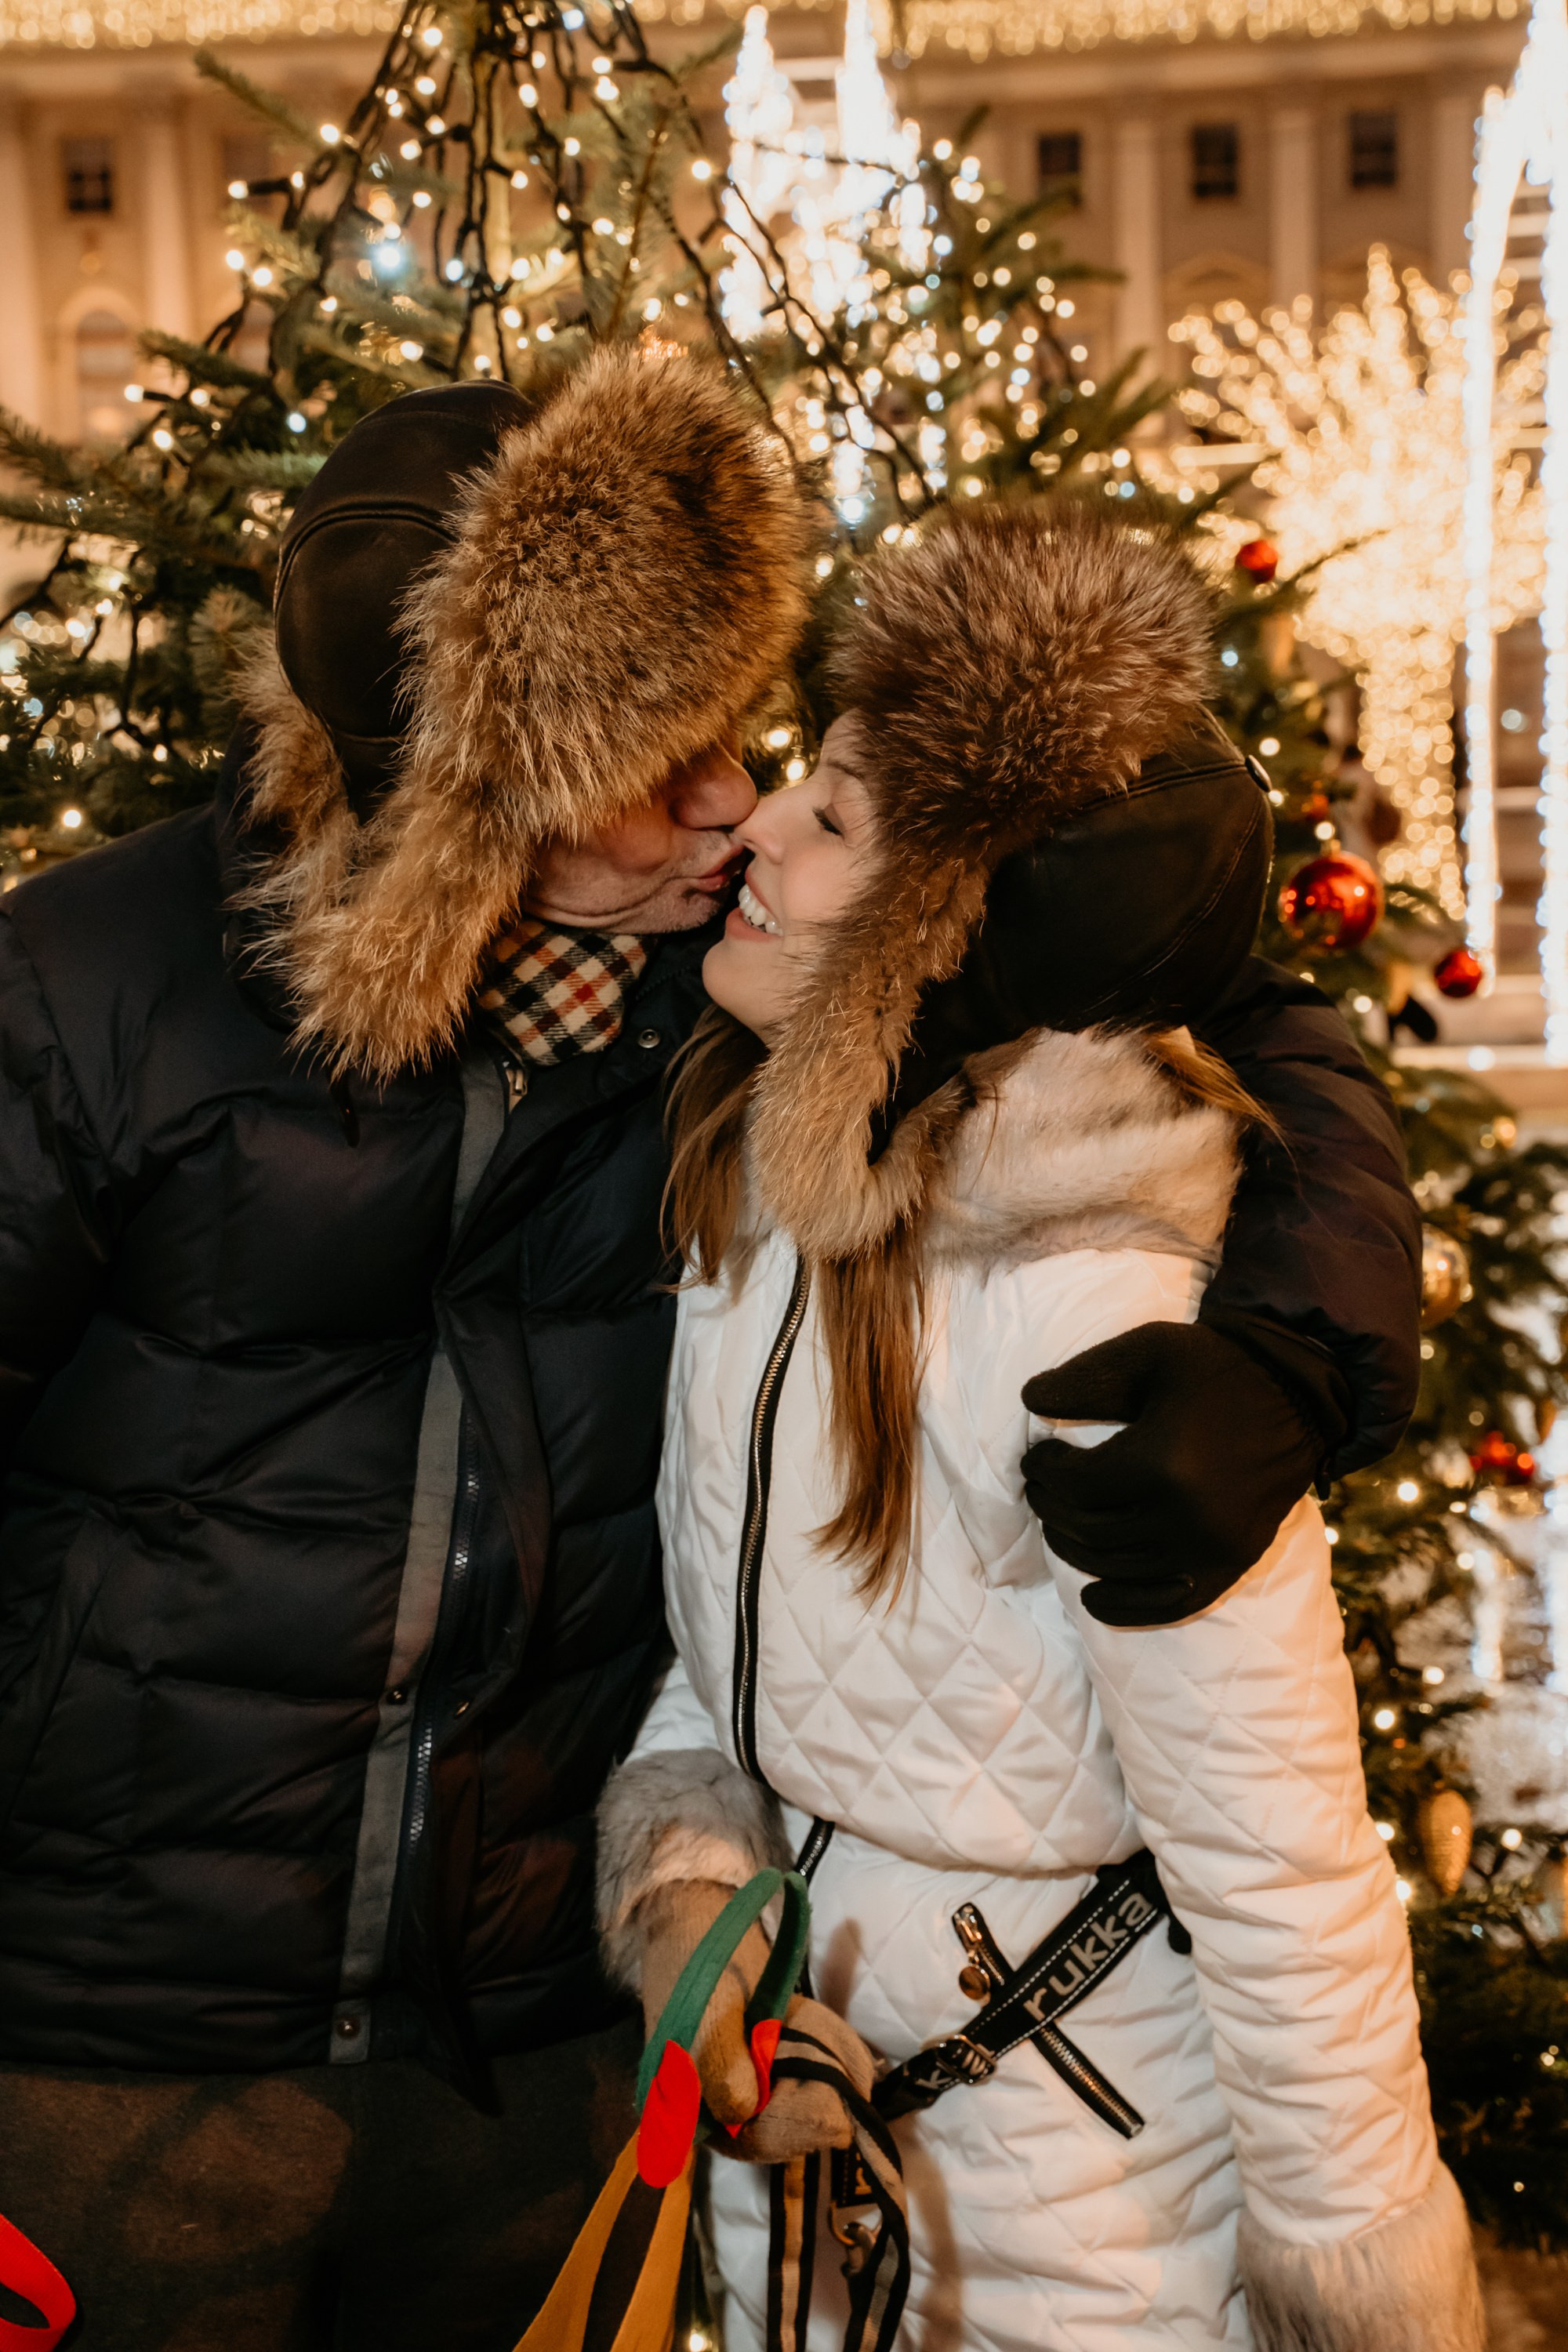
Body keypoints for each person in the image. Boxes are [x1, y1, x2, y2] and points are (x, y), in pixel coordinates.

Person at [0, 349, 1413, 2347]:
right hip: (114, 2058)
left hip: (544, 2062)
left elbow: (1190, 986)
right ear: (471, 814)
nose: (732, 805)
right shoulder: (90, 992)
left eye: (737, 742)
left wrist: (1302, 1338)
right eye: (655, 769)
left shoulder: (731, 1011)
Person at [597, 506, 1480, 2352]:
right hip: (807, 2171)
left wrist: (1367, 2289)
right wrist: (689, 1878)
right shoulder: (759, 1205)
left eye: (833, 820)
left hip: (1083, 2222)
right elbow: (734, 1634)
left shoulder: (1104, 1314)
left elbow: (1279, 1866)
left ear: (960, 935)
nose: (752, 824)